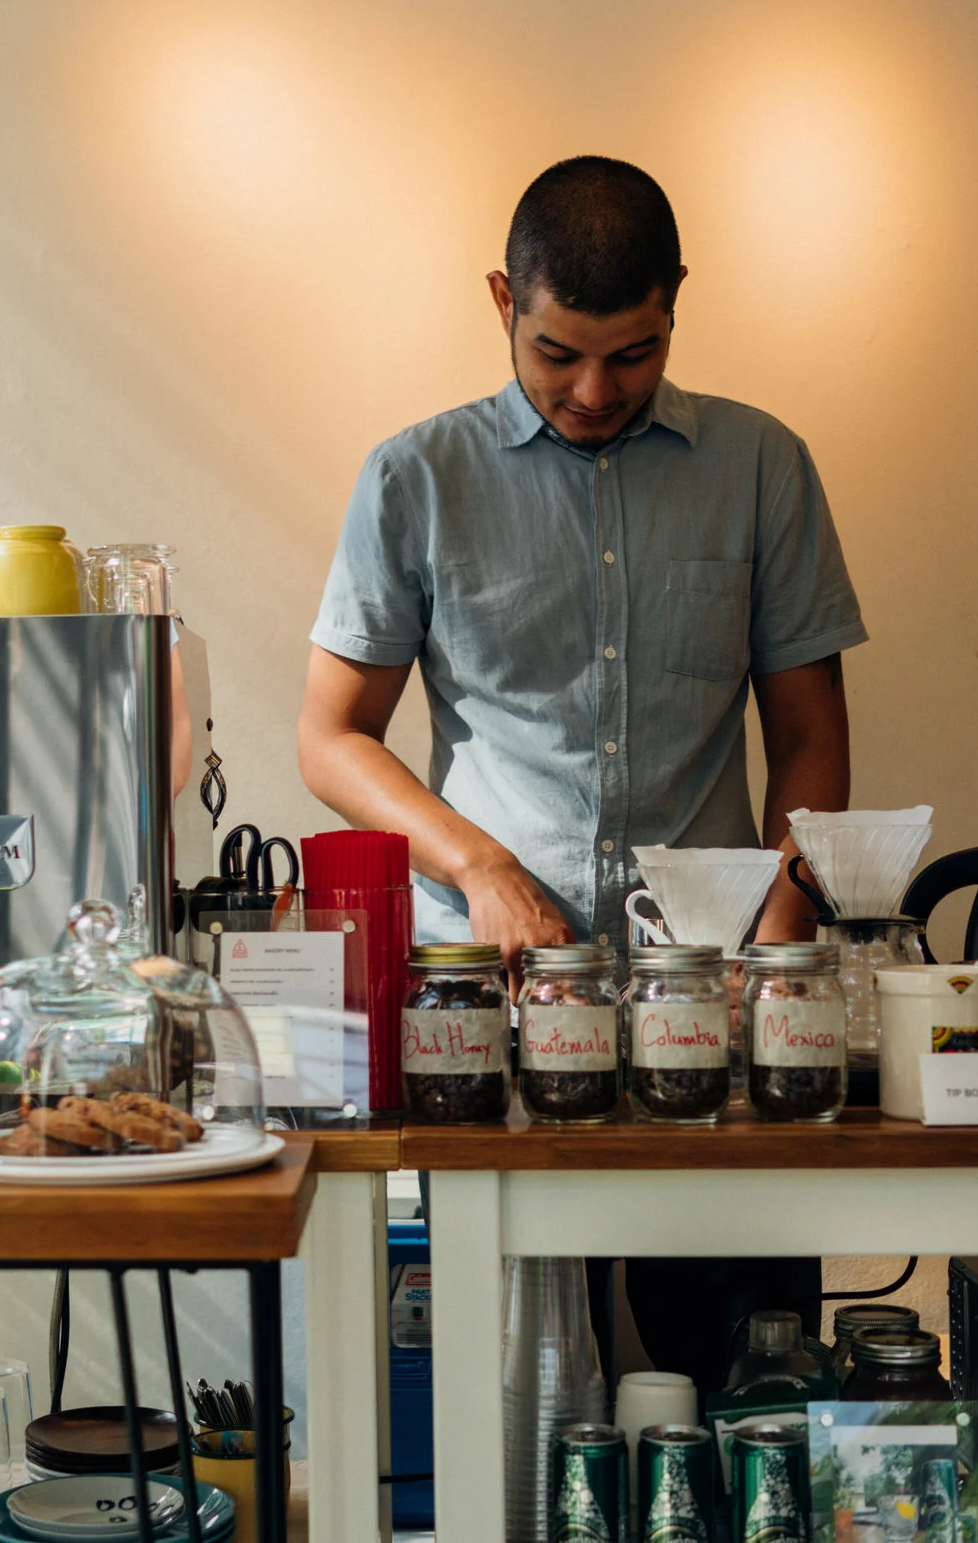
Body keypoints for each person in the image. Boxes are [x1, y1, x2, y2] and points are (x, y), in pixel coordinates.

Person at [297, 155, 865, 1389]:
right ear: (503, 298)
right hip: (487, 1027)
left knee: (738, 1391)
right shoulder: (415, 478)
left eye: (634, 352)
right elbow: (330, 738)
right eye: (558, 354)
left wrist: (780, 934)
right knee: (503, 1406)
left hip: (706, 1021)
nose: (596, 390)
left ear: (676, 305)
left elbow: (809, 737)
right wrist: (480, 867)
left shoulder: (763, 467)